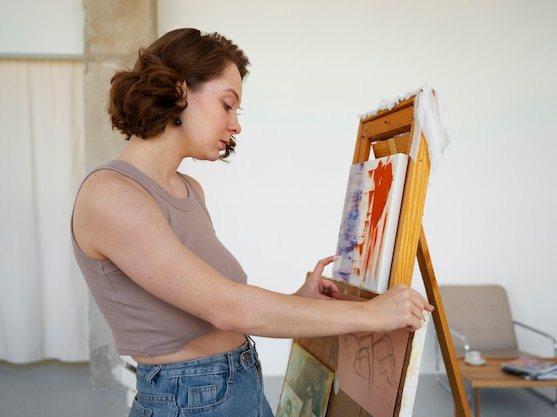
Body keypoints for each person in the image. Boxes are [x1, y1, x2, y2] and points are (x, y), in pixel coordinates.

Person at [71, 28, 434, 417]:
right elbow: (224, 306)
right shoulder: (110, 195)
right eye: (228, 105)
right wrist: (371, 314)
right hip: (189, 399)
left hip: (237, 383)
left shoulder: (190, 190)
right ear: (179, 92)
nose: (236, 125)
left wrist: (299, 302)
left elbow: (208, 312)